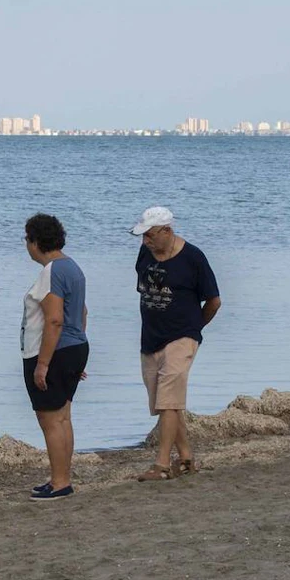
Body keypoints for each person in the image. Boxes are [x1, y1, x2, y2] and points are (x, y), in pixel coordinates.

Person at [130, 206, 221, 481]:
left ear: (167, 231)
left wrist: (193, 329)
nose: (146, 241)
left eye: (150, 235)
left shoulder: (193, 258)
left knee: (169, 401)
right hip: (151, 337)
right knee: (165, 403)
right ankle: (187, 458)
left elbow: (214, 301)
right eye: (143, 236)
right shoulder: (145, 253)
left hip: (182, 336)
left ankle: (162, 465)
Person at [21, 213, 89, 502]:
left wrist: (44, 364)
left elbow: (54, 320)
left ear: (36, 242)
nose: (26, 245)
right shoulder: (72, 268)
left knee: (50, 420)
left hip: (53, 350)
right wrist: (75, 355)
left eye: (27, 239)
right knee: (62, 417)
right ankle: (60, 478)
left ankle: (60, 482)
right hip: (75, 347)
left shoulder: (51, 271)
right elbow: (82, 312)